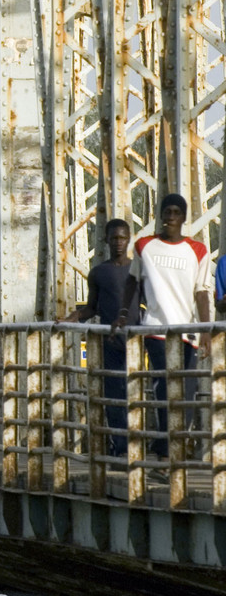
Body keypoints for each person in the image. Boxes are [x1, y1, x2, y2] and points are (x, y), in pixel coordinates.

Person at [116, 193, 213, 457]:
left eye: (175, 213)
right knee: (163, 389)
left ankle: (171, 444)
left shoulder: (198, 250)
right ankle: (166, 450)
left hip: (187, 332)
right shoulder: (144, 246)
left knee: (187, 393)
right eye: (166, 212)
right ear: (160, 215)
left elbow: (202, 292)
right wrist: (124, 313)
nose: (170, 217)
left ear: (183, 217)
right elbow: (132, 282)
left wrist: (205, 329)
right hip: (156, 329)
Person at [75, 218, 132, 456]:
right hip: (109, 342)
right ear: (106, 240)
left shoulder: (137, 269)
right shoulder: (98, 272)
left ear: (129, 239)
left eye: (122, 238)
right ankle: (120, 446)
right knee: (113, 395)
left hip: (136, 340)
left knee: (136, 394)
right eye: (114, 238)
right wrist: (71, 318)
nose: (118, 243)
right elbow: (92, 307)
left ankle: (138, 442)